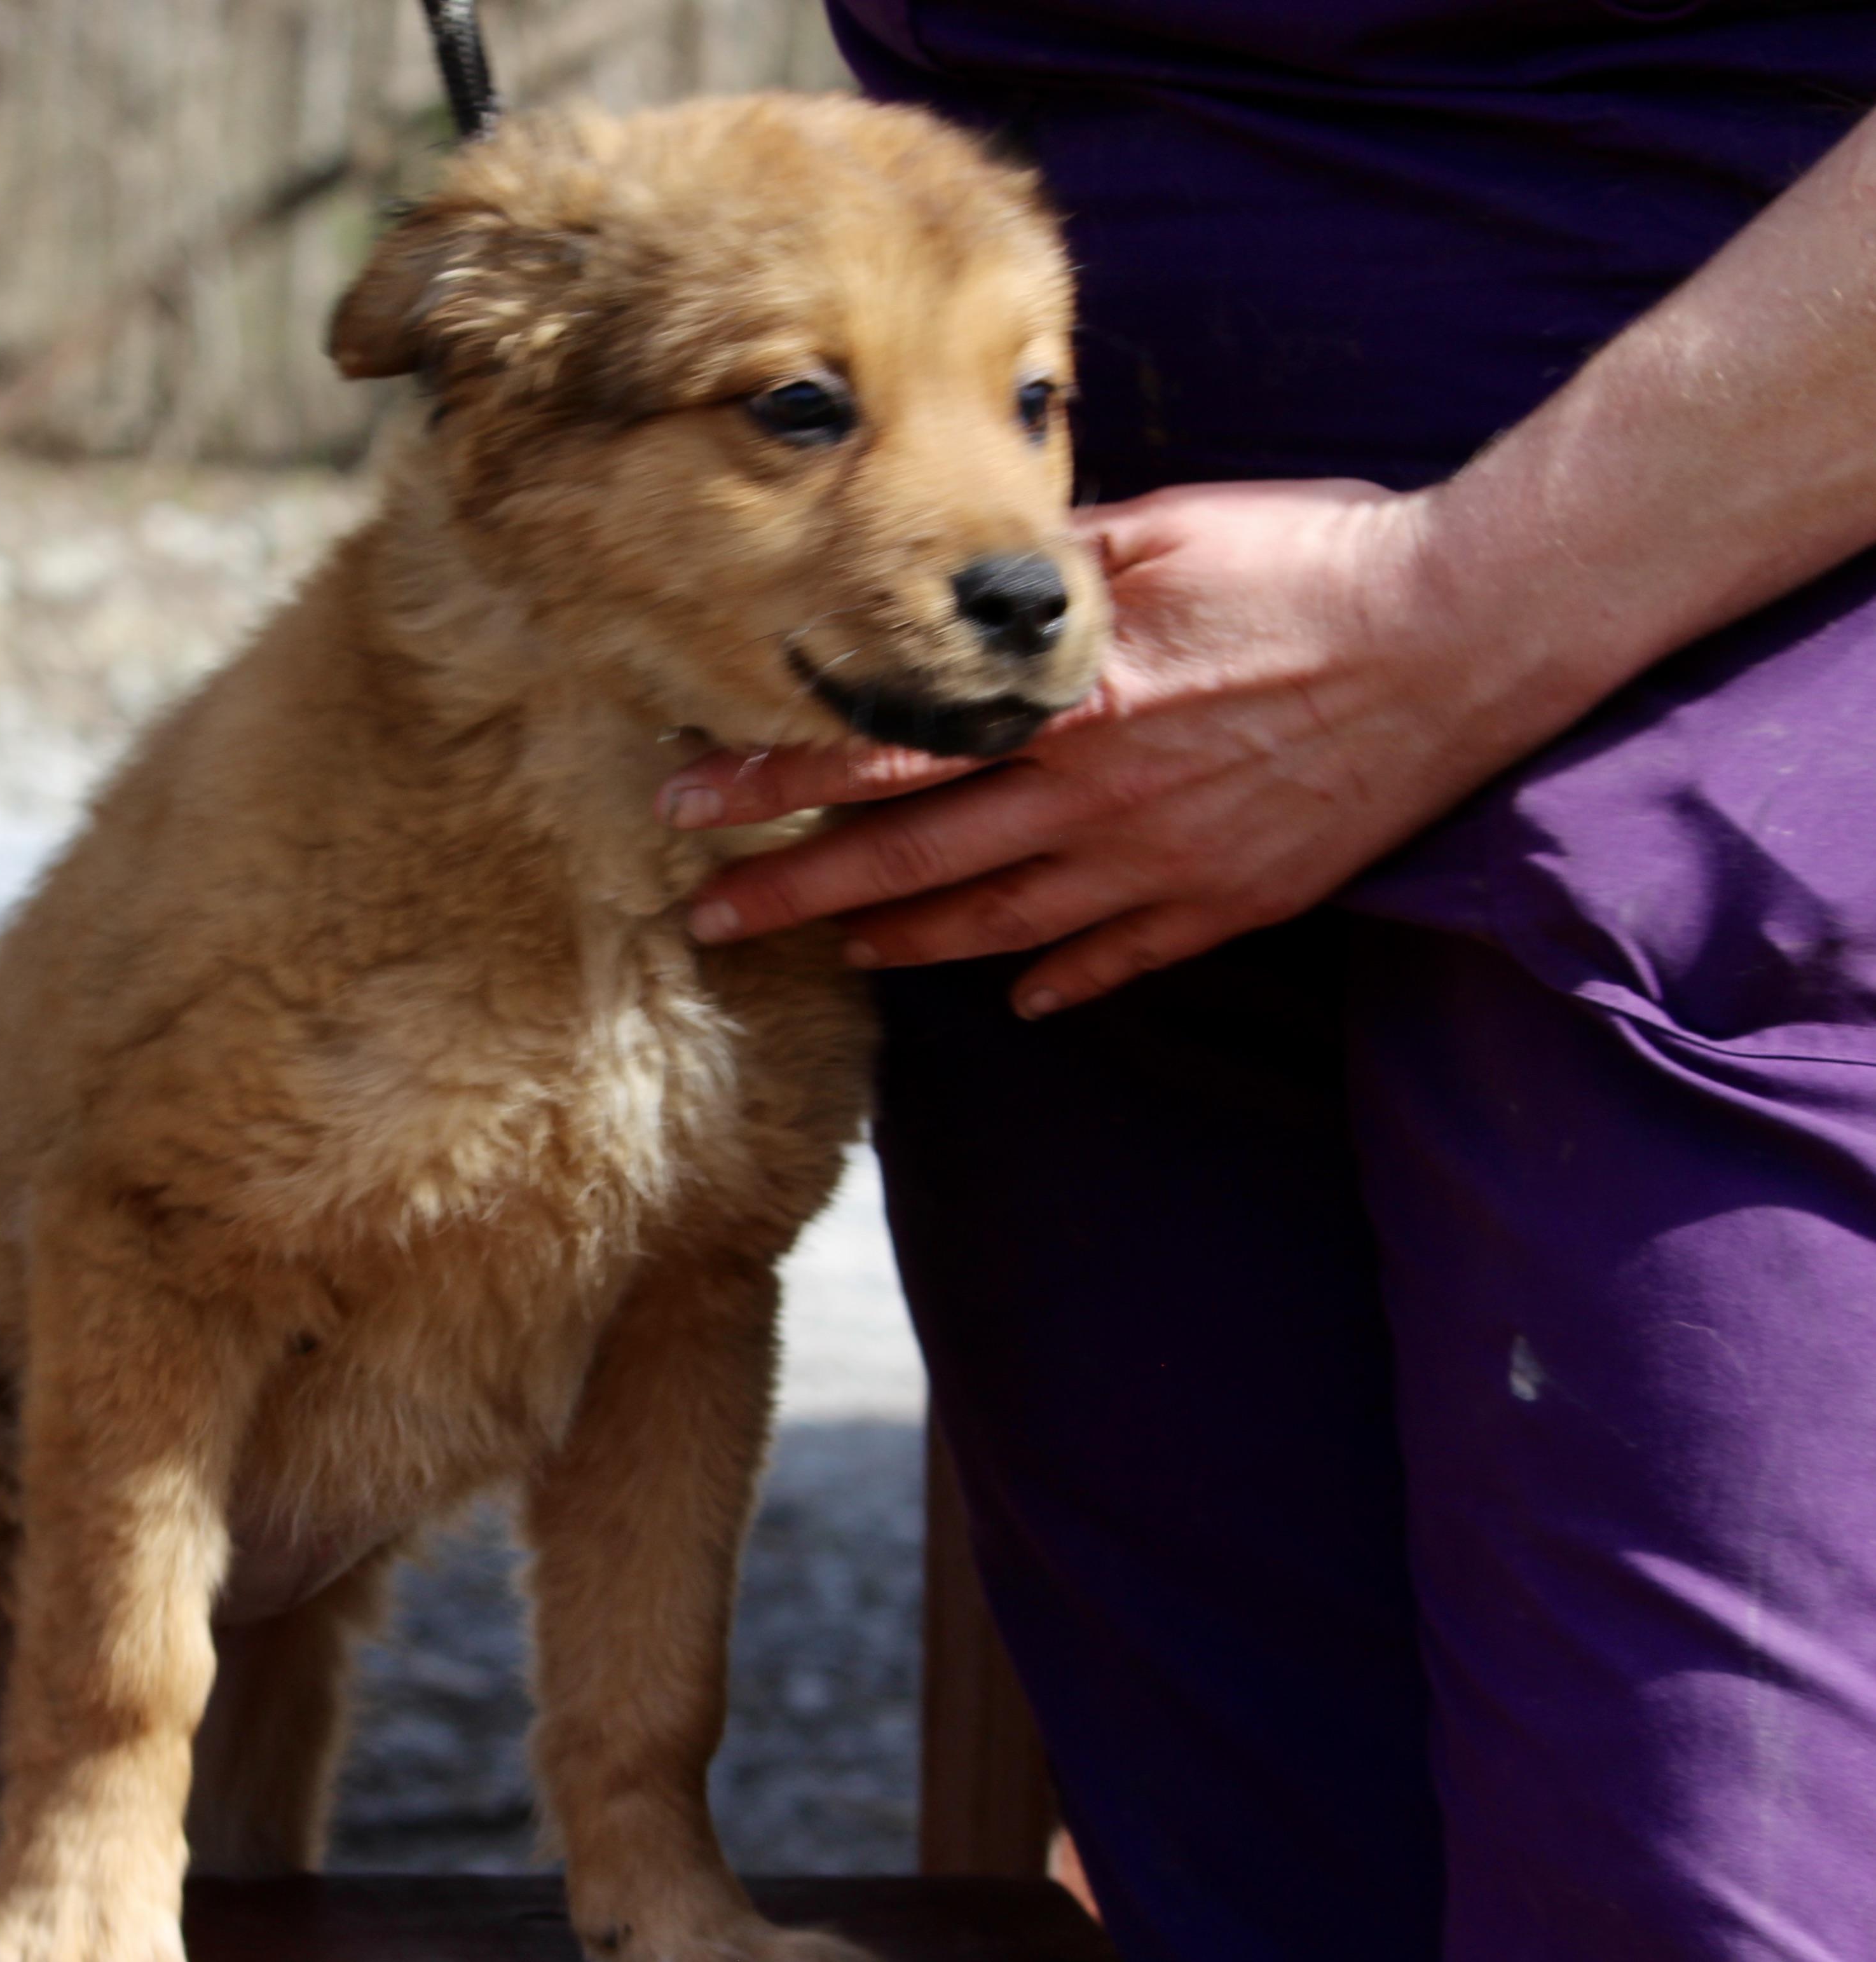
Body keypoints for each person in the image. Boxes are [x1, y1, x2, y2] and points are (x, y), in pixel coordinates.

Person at [654, 6, 1876, 1957]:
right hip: (1067, 838)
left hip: (1740, 727)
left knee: (1703, 1883)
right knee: (1264, 1882)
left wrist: (1448, 616)